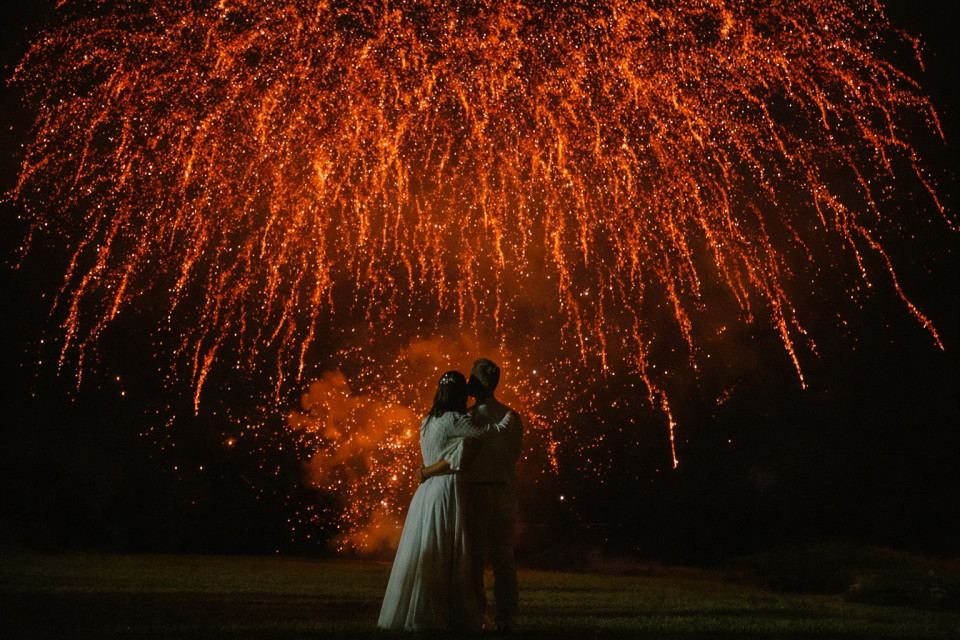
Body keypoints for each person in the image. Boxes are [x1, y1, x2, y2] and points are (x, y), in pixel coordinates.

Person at [377, 370, 512, 632]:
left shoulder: (427, 420)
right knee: (448, 551)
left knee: (425, 549)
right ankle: (444, 612)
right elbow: (492, 431)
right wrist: (509, 418)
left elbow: (444, 453)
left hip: (426, 491)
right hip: (448, 487)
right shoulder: (455, 420)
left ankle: (418, 610)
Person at [462, 358, 523, 633]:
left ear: (478, 382)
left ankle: (478, 615)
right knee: (503, 559)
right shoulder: (512, 416)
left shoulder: (469, 418)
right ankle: (507, 618)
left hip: (476, 492)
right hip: (504, 493)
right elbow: (514, 456)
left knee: (475, 558)